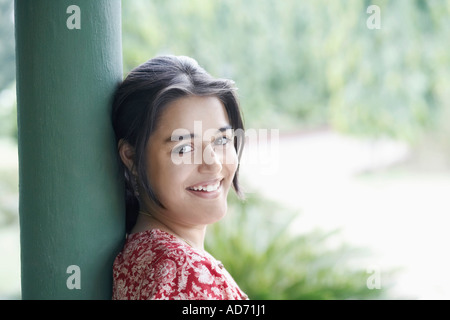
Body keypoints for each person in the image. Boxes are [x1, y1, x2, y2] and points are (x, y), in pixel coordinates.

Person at [111, 55, 248, 300]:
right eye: (184, 148)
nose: (214, 164)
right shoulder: (184, 273)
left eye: (222, 140)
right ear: (131, 157)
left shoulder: (146, 256)